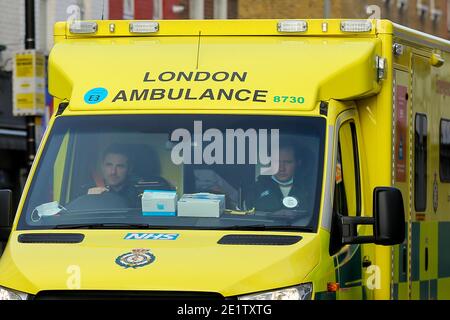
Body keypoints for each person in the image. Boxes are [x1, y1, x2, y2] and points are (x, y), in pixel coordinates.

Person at [245, 142, 311, 216]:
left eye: (288, 162)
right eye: (276, 162)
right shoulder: (255, 189)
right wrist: (270, 216)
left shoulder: (310, 189)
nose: (281, 168)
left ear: (298, 163)